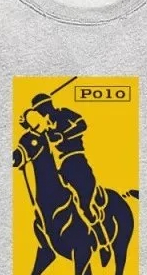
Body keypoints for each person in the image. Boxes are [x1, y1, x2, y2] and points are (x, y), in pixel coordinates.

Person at [27, 93, 110, 252]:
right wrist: (26, 124)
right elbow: (38, 138)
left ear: (48, 105)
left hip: (77, 160)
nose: (41, 113)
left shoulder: (65, 113)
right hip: (62, 166)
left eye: (41, 109)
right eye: (38, 111)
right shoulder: (47, 124)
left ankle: (103, 242)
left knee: (85, 206)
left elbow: (83, 125)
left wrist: (64, 135)